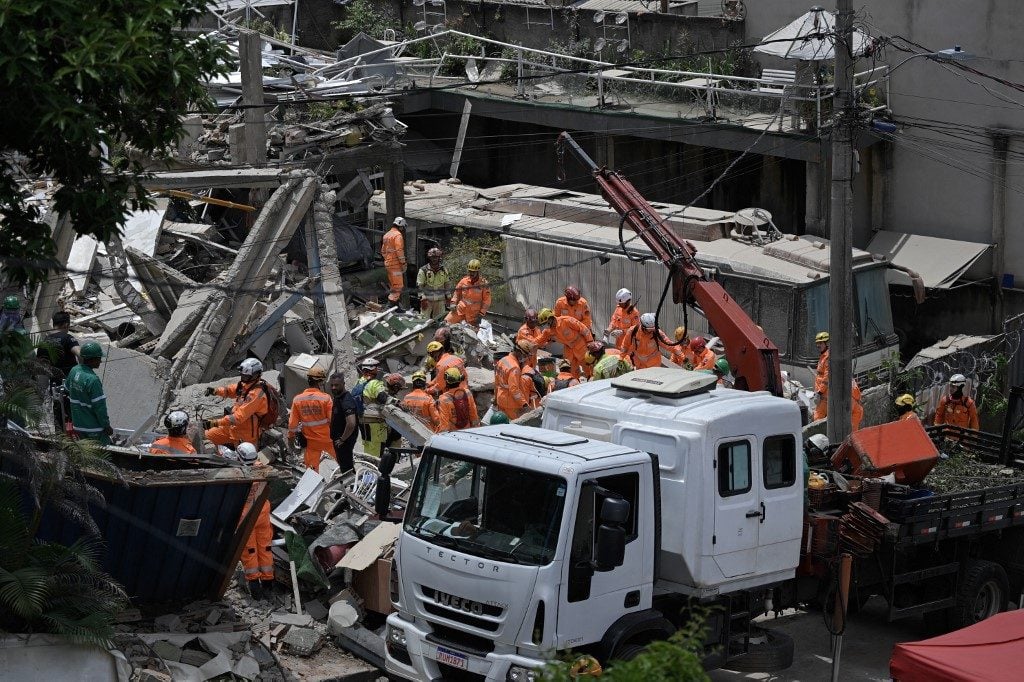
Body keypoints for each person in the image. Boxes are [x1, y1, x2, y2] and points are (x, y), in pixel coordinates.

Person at [234, 442, 274, 599]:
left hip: (247, 517)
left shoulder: (238, 474)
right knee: (265, 547)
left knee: (250, 550)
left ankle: (255, 586)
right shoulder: (263, 469)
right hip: (263, 513)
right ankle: (268, 582)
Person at [204, 358, 270, 449]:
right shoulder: (246, 385)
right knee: (206, 436)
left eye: (246, 376)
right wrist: (215, 391)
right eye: (242, 375)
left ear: (255, 375)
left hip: (245, 435)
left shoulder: (256, 394)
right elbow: (230, 390)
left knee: (244, 460)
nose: (243, 378)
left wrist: (215, 423)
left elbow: (238, 417)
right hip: (231, 428)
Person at [37, 310, 80, 430]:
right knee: (74, 416)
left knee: (59, 416)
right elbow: (80, 354)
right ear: (66, 325)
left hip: (54, 386)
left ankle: (61, 439)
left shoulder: (43, 342)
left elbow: (40, 369)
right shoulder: (67, 338)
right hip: (71, 385)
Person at [288, 366, 335, 472]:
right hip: (328, 440)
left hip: (311, 442)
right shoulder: (326, 398)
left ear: (308, 380)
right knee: (344, 463)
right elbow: (333, 420)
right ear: (320, 382)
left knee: (312, 472)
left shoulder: (298, 399)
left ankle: (316, 488)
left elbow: (292, 425)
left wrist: (290, 438)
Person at [65, 341, 113, 445]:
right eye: (99, 358)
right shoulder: (93, 380)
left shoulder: (74, 370)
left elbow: (67, 388)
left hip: (78, 426)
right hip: (93, 428)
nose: (100, 361)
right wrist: (106, 426)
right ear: (92, 359)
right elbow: (100, 407)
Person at [537, 307, 594, 379]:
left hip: (580, 345)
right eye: (544, 324)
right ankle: (574, 384)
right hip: (568, 349)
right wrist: (528, 344)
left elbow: (583, 329)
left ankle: (592, 380)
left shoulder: (566, 320)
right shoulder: (549, 331)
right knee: (571, 370)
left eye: (546, 322)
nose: (546, 325)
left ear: (551, 318)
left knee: (588, 366)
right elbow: (539, 340)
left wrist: (590, 342)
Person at [495, 340, 534, 421]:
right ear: (519, 352)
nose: (525, 358)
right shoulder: (514, 368)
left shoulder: (503, 360)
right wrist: (524, 404)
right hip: (511, 404)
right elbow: (514, 390)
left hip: (500, 399)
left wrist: (495, 397)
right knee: (513, 427)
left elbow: (496, 381)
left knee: (501, 424)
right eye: (525, 355)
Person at [329, 373, 359, 474]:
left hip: (344, 441)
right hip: (341, 440)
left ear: (343, 384)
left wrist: (342, 439)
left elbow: (351, 423)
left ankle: (352, 487)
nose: (333, 387)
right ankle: (352, 485)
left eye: (336, 385)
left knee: (347, 469)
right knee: (345, 466)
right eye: (332, 385)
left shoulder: (346, 400)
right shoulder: (338, 398)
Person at [446, 259, 491, 326]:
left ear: (478, 271)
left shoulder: (484, 284)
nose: (471, 273)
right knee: (446, 324)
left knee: (471, 335)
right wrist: (453, 302)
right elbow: (456, 292)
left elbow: (487, 301)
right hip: (460, 310)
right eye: (470, 271)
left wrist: (481, 314)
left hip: (474, 316)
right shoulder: (464, 281)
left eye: (474, 272)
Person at [360, 371, 390, 457]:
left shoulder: (361, 381)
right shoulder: (375, 384)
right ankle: (374, 467)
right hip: (375, 422)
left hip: (363, 421)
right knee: (377, 450)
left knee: (367, 445)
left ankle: (367, 466)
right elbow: (383, 398)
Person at [416, 247, 450, 318]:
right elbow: (420, 285)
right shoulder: (423, 270)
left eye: (436, 257)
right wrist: (423, 297)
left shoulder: (444, 270)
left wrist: (448, 297)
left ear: (439, 258)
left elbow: (447, 284)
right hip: (427, 300)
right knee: (423, 320)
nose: (434, 259)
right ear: (429, 258)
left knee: (440, 321)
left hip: (440, 301)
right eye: (432, 257)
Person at [381, 216, 407, 305]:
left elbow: (383, 251)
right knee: (398, 286)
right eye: (403, 227)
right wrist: (403, 263)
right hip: (395, 265)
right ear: (400, 226)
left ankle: (395, 305)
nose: (403, 229)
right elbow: (399, 250)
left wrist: (388, 260)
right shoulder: (398, 235)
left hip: (388, 264)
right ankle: (391, 305)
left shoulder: (386, 235)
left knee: (393, 285)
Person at [813, 331, 830, 421]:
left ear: (826, 343)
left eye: (820, 343)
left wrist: (819, 392)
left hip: (824, 395)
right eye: (817, 343)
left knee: (817, 418)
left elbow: (826, 378)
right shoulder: (823, 356)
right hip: (822, 394)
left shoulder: (827, 357)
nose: (818, 345)